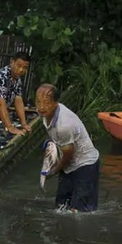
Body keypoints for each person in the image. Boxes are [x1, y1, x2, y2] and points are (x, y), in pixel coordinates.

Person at [35, 84, 100, 212]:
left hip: (86, 165)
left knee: (80, 211)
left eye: (46, 102)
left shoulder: (64, 125)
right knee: (61, 205)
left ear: (55, 103)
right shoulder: (47, 114)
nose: (41, 107)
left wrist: (53, 171)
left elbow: (68, 156)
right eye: (38, 102)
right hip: (69, 163)